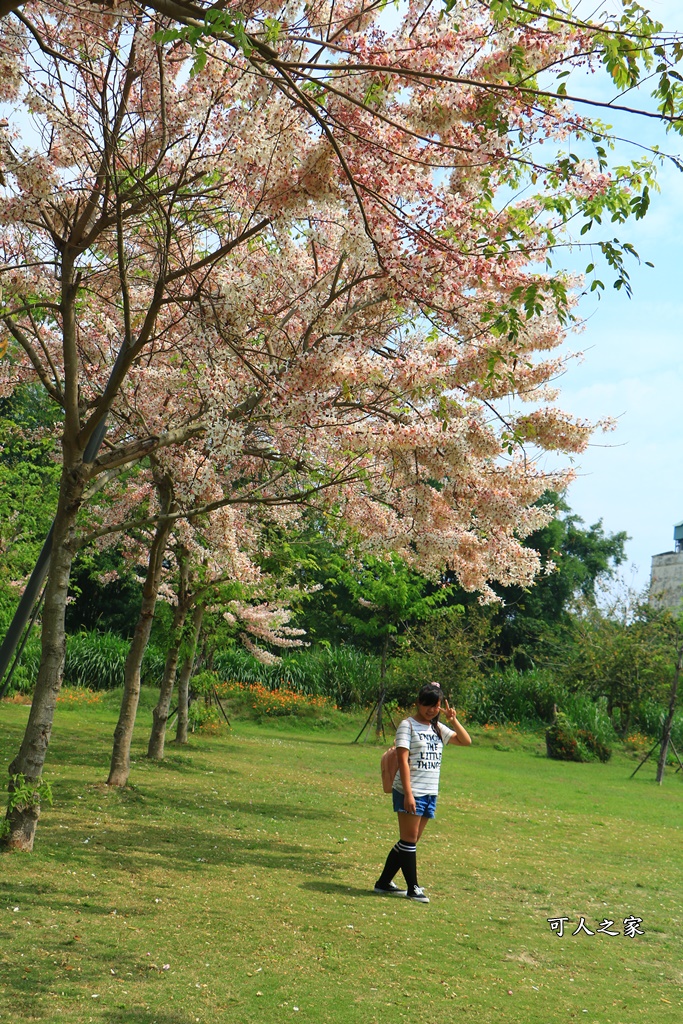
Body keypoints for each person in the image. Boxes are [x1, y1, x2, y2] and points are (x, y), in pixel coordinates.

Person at [374, 682, 471, 903]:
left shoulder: (437, 728)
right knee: (409, 840)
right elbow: (403, 761)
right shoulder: (407, 726)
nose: (431, 710)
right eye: (427, 705)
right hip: (411, 789)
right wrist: (408, 794)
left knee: (411, 840)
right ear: (418, 703)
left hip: (429, 791)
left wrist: (453, 719)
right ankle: (413, 888)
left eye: (436, 706)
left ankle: (383, 883)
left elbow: (466, 741)